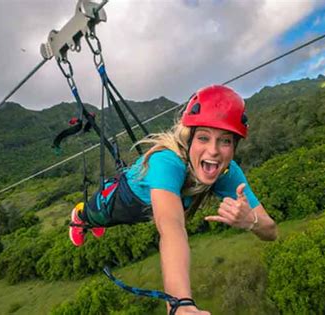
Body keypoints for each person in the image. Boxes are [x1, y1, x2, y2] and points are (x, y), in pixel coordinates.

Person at [69, 84, 278, 315]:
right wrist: (180, 303)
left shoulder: (228, 173)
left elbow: (271, 230)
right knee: (97, 214)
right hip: (125, 197)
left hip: (149, 208)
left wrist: (252, 222)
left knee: (114, 220)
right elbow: (171, 227)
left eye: (225, 141)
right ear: (189, 139)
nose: (214, 150)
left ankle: (95, 223)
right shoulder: (167, 161)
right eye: (203, 138)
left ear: (234, 146)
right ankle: (81, 218)